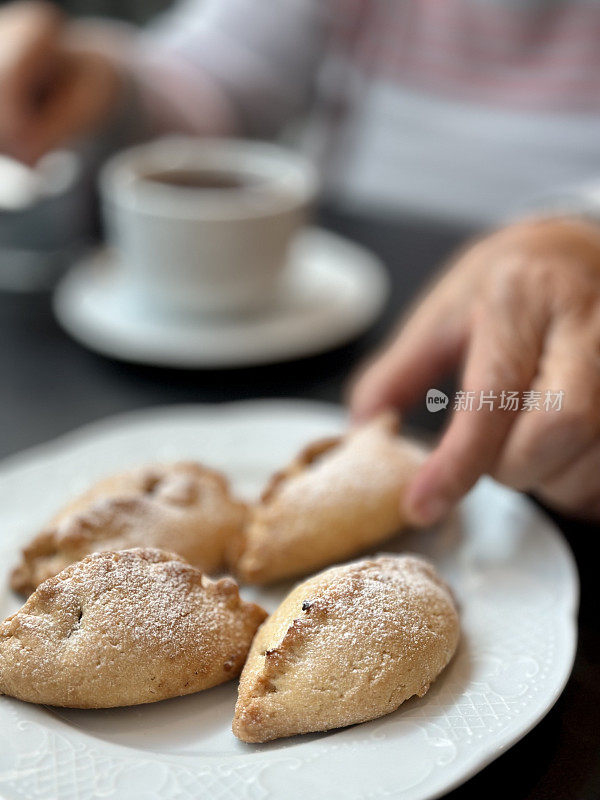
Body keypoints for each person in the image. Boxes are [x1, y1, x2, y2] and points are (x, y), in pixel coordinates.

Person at [0, 0, 599, 520]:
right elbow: (209, 83)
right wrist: (95, 87)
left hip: (547, 392)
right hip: (339, 376)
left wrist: (584, 227)